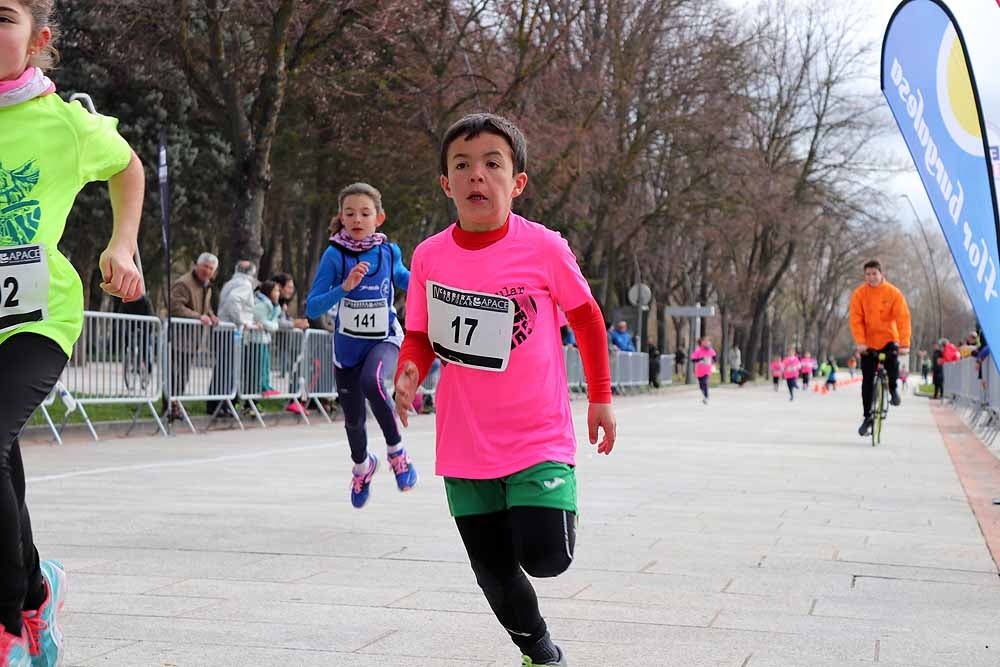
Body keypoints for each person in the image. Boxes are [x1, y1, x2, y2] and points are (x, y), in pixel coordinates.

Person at [392, 113, 616, 667]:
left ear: (516, 181)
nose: (477, 176)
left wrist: (602, 397)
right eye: (462, 166)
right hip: (465, 440)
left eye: (493, 164)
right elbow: (420, 335)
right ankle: (540, 651)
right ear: (446, 184)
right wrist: (408, 372)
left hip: (536, 433)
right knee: (491, 567)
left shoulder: (542, 247)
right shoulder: (429, 256)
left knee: (545, 557)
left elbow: (586, 319)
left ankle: (546, 510)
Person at [0, 3, 145, 662]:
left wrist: (123, 244)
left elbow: (127, 167)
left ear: (38, 40)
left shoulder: (64, 122)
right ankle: (35, 592)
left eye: (2, 16)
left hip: (37, 315)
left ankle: (6, 629)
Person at [306, 182, 416, 509]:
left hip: (384, 339)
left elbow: (405, 279)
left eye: (365, 213)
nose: (357, 219)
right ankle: (363, 467)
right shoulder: (334, 255)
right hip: (347, 350)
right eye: (350, 213)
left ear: (378, 218)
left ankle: (398, 454)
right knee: (353, 421)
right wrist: (344, 287)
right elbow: (312, 307)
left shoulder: (387, 251)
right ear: (341, 217)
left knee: (373, 381)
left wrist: (431, 282)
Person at [849, 259, 911, 436]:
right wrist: (860, 342)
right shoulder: (859, 294)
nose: (871, 277)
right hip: (868, 342)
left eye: (874, 273)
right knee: (867, 380)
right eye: (867, 274)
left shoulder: (893, 293)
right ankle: (867, 417)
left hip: (889, 338)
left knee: (892, 362)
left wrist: (905, 343)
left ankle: (892, 388)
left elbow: (903, 318)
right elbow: (856, 319)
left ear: (881, 274)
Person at [166, 252, 218, 418]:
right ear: (197, 265)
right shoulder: (184, 283)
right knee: (175, 374)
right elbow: (175, 307)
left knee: (184, 375)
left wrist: (211, 315)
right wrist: (198, 317)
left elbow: (205, 306)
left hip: (193, 339)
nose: (207, 271)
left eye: (211, 268)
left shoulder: (206, 284)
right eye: (205, 267)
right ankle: (170, 406)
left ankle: (176, 404)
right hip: (179, 338)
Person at [207, 260, 259, 416]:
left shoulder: (231, 282)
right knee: (228, 369)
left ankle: (218, 403)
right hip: (231, 330)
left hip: (224, 329)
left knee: (223, 369)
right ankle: (220, 404)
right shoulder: (245, 284)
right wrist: (242, 321)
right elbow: (233, 302)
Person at [252, 279, 281, 397]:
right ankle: (261, 386)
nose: (278, 293)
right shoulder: (261, 304)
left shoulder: (273, 306)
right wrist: (272, 326)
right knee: (259, 365)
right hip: (255, 339)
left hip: (264, 339)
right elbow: (262, 321)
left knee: (265, 364)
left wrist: (272, 325)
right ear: (268, 292)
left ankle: (266, 385)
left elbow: (272, 324)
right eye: (276, 291)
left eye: (278, 291)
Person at [690, 336, 716, 404]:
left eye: (708, 342)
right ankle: (704, 394)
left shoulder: (711, 350)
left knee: (705, 382)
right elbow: (693, 359)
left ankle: (706, 397)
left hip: (707, 370)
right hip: (699, 371)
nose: (707, 343)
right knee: (701, 385)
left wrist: (713, 361)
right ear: (702, 343)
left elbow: (714, 357)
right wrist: (700, 359)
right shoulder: (698, 351)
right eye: (705, 342)